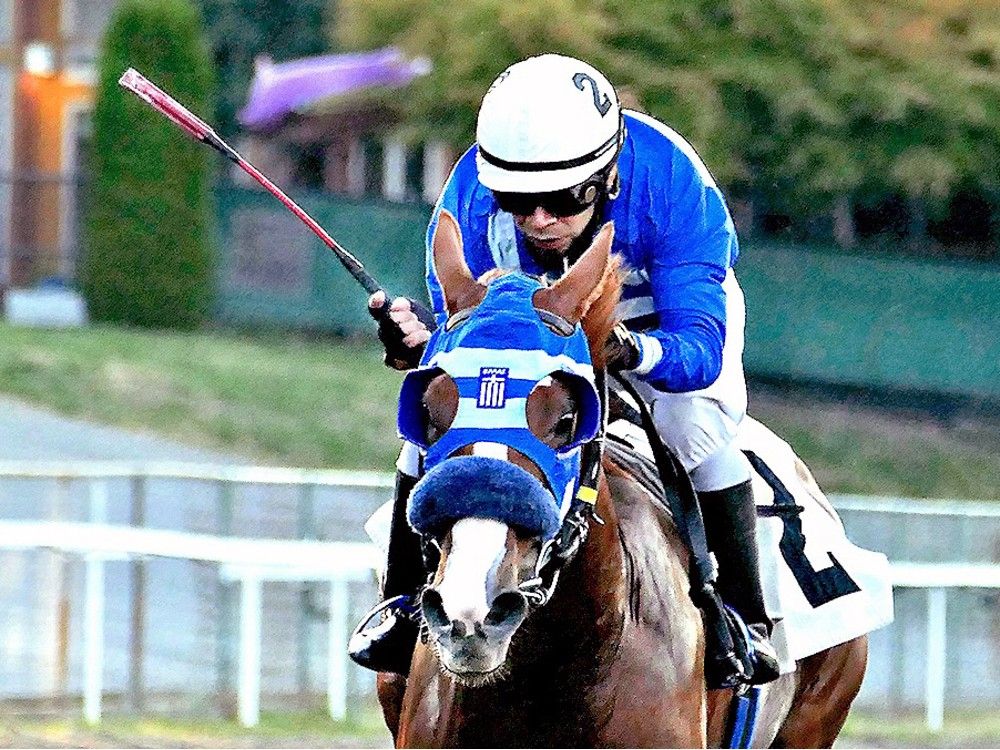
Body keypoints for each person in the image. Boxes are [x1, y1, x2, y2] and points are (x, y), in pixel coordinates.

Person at [349, 53, 780, 686]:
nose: (538, 221)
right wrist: (420, 342)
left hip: (659, 313)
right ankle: (403, 605)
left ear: (606, 178)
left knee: (693, 425)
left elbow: (700, 349)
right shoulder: (469, 194)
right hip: (532, 325)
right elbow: (464, 331)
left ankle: (740, 618)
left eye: (560, 199)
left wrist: (630, 351)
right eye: (517, 202)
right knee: (429, 430)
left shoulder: (672, 183)